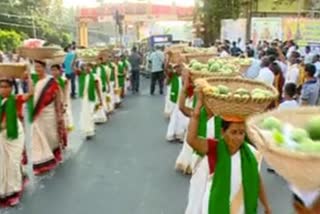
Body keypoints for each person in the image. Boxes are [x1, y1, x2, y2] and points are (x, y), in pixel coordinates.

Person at [186, 91, 271, 214]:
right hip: (215, 207)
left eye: (241, 133)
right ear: (222, 132)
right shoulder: (214, 148)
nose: (238, 138)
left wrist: (266, 205)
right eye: (234, 132)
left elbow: (257, 180)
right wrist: (196, 112)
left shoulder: (250, 153)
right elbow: (191, 140)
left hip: (241, 208)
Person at [31, 60, 67, 175]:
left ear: (44, 68)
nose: (37, 69)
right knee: (38, 136)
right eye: (35, 67)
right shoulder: (36, 81)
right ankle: (42, 161)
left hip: (50, 113)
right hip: (38, 114)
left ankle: (53, 154)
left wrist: (60, 113)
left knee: (51, 136)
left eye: (39, 67)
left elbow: (57, 97)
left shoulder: (51, 82)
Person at [0, 77, 32, 207]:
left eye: (6, 86)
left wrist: (29, 76)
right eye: (1, 86)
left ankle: (14, 191)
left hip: (15, 135)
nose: (3, 89)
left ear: (11, 88)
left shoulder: (16, 99)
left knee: (13, 162)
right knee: (3, 164)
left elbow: (30, 93)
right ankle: (4, 189)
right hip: (1, 135)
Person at [79, 63, 103, 139]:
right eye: (85, 66)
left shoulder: (95, 76)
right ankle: (88, 131)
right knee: (86, 114)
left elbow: (97, 88)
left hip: (92, 97)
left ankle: (91, 129)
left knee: (90, 113)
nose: (87, 68)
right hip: (84, 98)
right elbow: (73, 68)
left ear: (91, 68)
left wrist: (100, 99)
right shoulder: (82, 75)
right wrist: (74, 57)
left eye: (88, 66)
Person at [51, 64, 74, 131]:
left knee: (64, 119)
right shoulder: (50, 80)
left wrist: (64, 103)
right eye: (52, 70)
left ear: (59, 70)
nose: (54, 72)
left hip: (63, 101)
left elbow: (66, 93)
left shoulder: (64, 80)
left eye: (55, 70)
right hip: (54, 103)